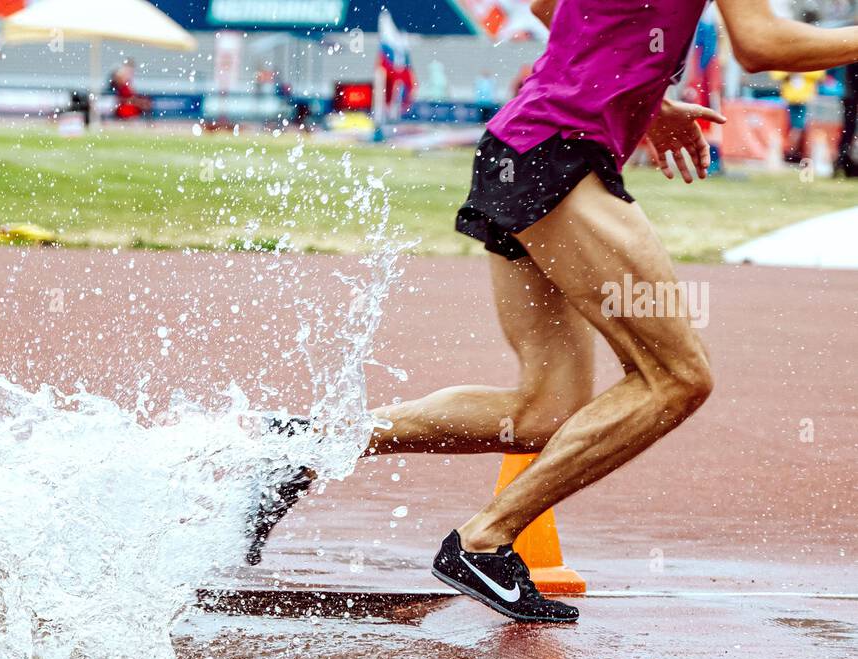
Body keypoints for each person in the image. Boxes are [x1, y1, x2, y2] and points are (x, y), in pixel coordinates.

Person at [249, 0, 858, 623]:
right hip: (563, 157)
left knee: (544, 412)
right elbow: (763, 44)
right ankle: (484, 542)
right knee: (675, 378)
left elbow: (548, 5)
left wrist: (647, 97)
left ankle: (303, 446)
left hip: (519, 149)